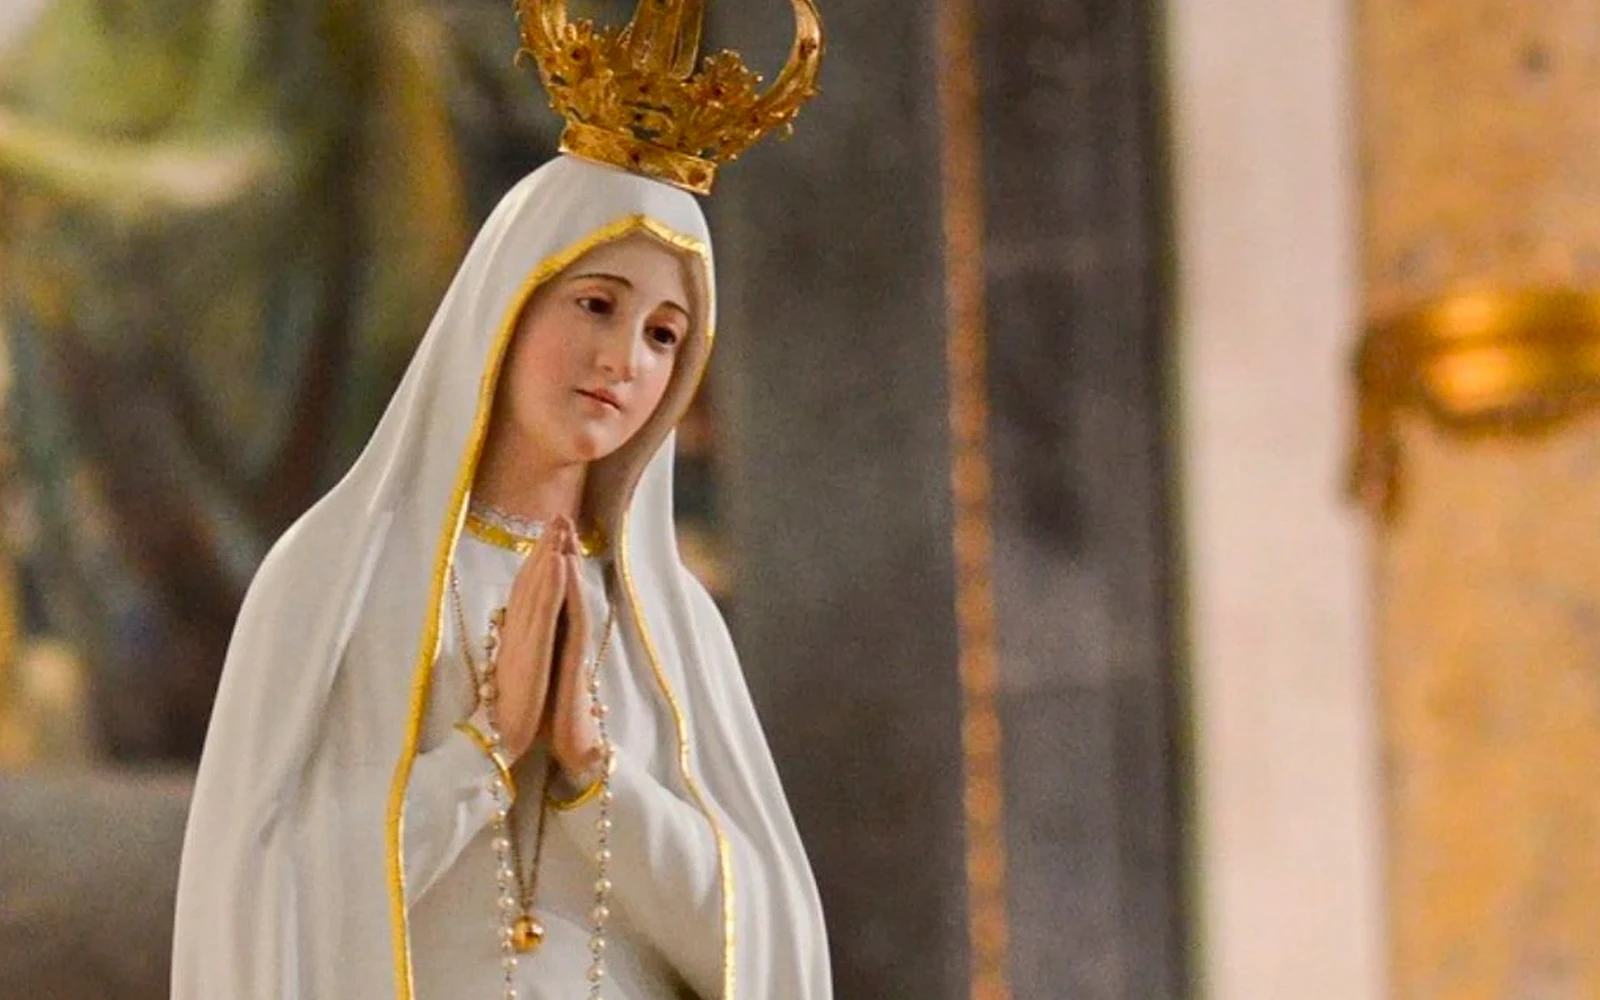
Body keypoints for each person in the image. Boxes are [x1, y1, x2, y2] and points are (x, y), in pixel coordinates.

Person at [170, 0, 830, 996]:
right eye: (596, 304)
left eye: (663, 334)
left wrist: (593, 773)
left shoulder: (674, 624)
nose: (624, 359)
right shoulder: (339, 575)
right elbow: (268, 901)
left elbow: (759, 941)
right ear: (507, 304)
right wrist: (483, 753)